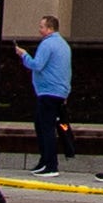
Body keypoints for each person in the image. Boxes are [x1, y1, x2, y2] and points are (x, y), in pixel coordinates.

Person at [24, 15, 71, 174]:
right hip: (59, 92)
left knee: (46, 128)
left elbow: (37, 65)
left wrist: (23, 55)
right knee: (45, 126)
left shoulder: (47, 44)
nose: (39, 29)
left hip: (47, 91)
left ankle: (50, 165)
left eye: (42, 26)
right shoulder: (63, 45)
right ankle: (44, 162)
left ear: (50, 28)